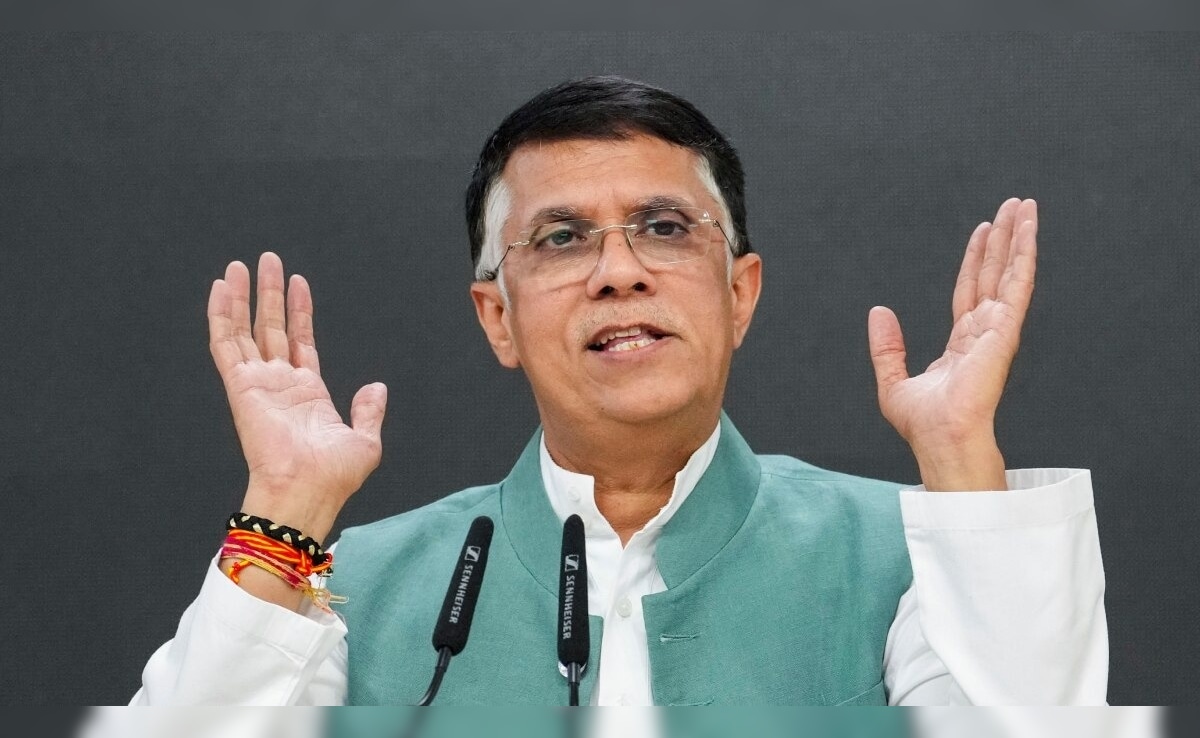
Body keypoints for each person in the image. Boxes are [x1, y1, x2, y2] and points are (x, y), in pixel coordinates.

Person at [129, 76, 1107, 706]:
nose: (619, 272)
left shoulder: (905, 556)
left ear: (739, 294)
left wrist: (961, 461)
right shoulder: (352, 586)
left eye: (665, 228)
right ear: (497, 318)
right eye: (562, 239)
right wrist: (287, 511)